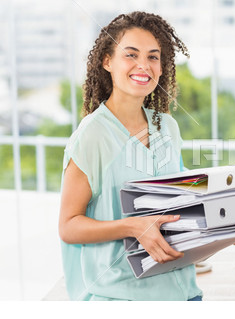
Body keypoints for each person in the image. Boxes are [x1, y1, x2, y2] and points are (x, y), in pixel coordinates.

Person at [58, 11, 203, 301]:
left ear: (163, 67)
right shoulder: (93, 135)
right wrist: (132, 227)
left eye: (153, 56)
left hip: (182, 292)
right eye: (131, 54)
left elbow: (182, 197)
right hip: (118, 297)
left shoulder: (167, 127)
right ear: (107, 61)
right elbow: (69, 226)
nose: (143, 65)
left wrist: (230, 219)